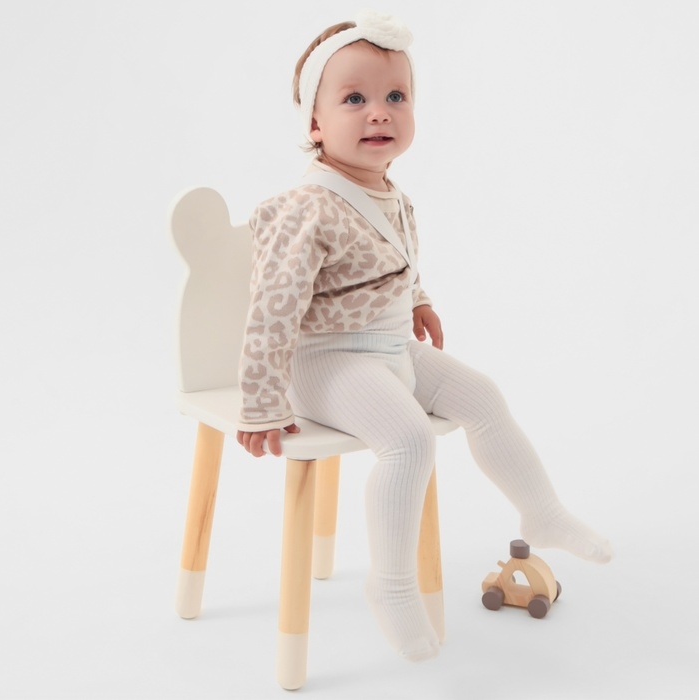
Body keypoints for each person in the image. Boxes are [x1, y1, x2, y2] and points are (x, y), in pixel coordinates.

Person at [236, 11, 613, 662]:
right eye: (354, 99)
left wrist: (419, 298)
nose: (378, 112)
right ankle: (390, 585)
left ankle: (542, 510)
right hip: (323, 360)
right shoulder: (308, 206)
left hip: (385, 351)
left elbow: (392, 262)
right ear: (315, 123)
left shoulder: (392, 195)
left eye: (395, 96)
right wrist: (261, 400)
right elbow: (271, 308)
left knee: (482, 396)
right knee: (408, 440)